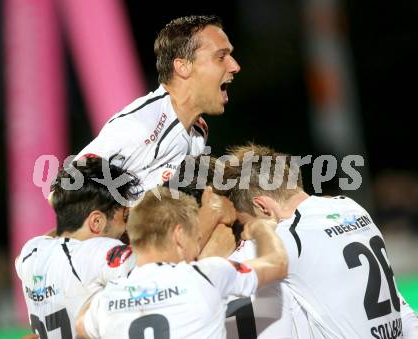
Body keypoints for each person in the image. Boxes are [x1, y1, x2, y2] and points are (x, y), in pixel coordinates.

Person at [222, 143, 418, 339]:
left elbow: (212, 280)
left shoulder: (286, 236)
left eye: (246, 224)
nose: (245, 235)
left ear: (263, 207)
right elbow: (399, 305)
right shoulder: (352, 207)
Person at [75, 187, 288, 339]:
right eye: (194, 235)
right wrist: (261, 228)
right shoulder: (208, 274)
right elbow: (277, 264)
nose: (197, 243)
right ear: (178, 234)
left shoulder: (107, 300)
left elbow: (81, 323)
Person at [76, 15, 241, 191]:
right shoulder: (143, 125)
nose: (235, 66)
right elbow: (64, 190)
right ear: (183, 66)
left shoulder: (198, 130)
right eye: (221, 57)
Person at [15, 155, 141, 339]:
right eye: (125, 217)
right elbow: (154, 262)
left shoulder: (31, 252)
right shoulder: (101, 251)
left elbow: (55, 238)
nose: (126, 227)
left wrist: (64, 207)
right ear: (96, 221)